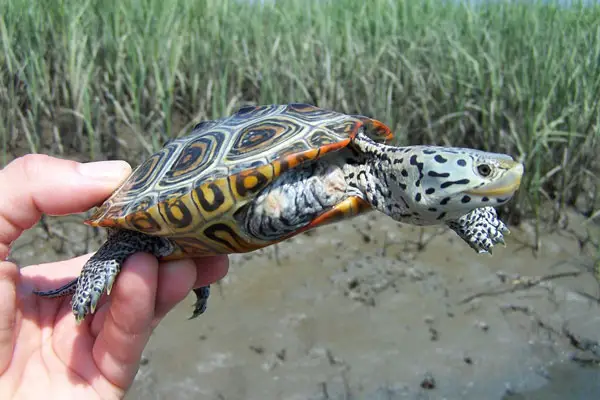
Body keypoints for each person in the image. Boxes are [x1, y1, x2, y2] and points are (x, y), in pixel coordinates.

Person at [0, 154, 229, 398]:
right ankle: (99, 267)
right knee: (132, 250)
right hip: (148, 212)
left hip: (181, 231)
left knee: (168, 271)